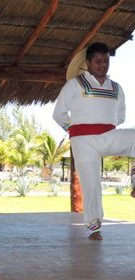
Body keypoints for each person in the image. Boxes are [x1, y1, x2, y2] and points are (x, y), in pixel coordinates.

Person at [53, 42, 135, 241]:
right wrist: (75, 131)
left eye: (106, 61)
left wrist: (105, 126)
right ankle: (94, 228)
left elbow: (120, 117)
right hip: (83, 142)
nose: (103, 65)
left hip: (108, 135)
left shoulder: (116, 88)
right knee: (92, 185)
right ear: (88, 62)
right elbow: (59, 114)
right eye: (98, 61)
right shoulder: (74, 84)